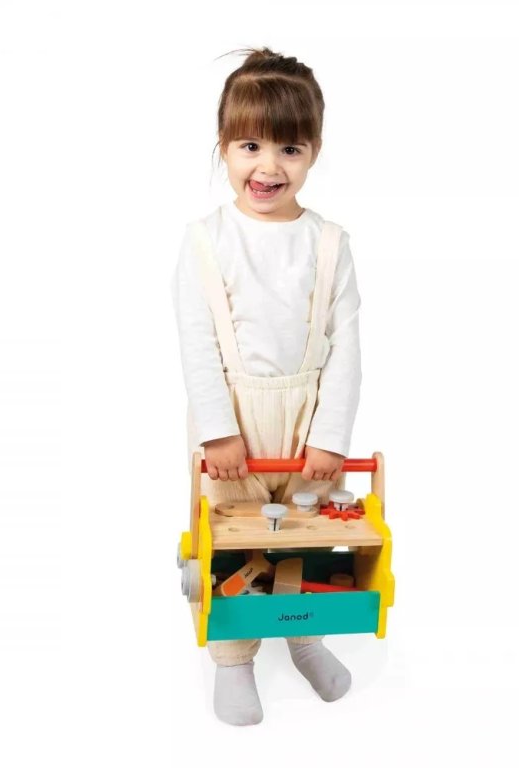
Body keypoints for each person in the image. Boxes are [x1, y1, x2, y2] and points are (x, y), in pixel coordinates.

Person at [172, 46, 362, 726]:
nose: (268, 166)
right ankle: (233, 658)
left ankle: (305, 635)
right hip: (234, 422)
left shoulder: (329, 242)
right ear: (224, 146)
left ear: (313, 153)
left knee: (304, 530)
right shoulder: (206, 241)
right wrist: (218, 431)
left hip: (306, 418)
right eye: (250, 146)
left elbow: (346, 347)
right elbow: (198, 344)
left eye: (290, 149)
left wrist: (330, 436)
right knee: (233, 538)